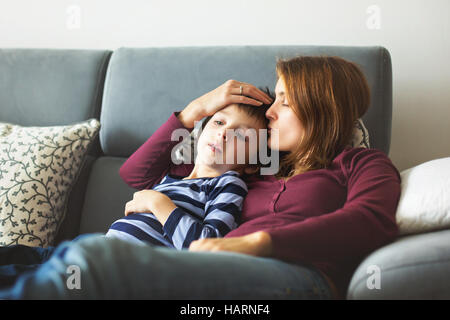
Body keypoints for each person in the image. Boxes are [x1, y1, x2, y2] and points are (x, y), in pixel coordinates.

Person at [0, 55, 401, 300]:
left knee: (91, 258)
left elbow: (372, 221)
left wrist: (259, 243)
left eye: (285, 100)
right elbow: (136, 174)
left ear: (319, 106)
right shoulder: (252, 165)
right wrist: (197, 109)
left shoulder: (359, 164)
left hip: (297, 277)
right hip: (210, 267)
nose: (272, 112)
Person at [104, 101, 272, 249]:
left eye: (241, 135)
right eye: (219, 122)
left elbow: (207, 245)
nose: (223, 133)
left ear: (252, 165)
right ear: (200, 133)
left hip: (137, 267)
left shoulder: (228, 185)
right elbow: (131, 173)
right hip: (109, 251)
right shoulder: (169, 179)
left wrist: (157, 203)